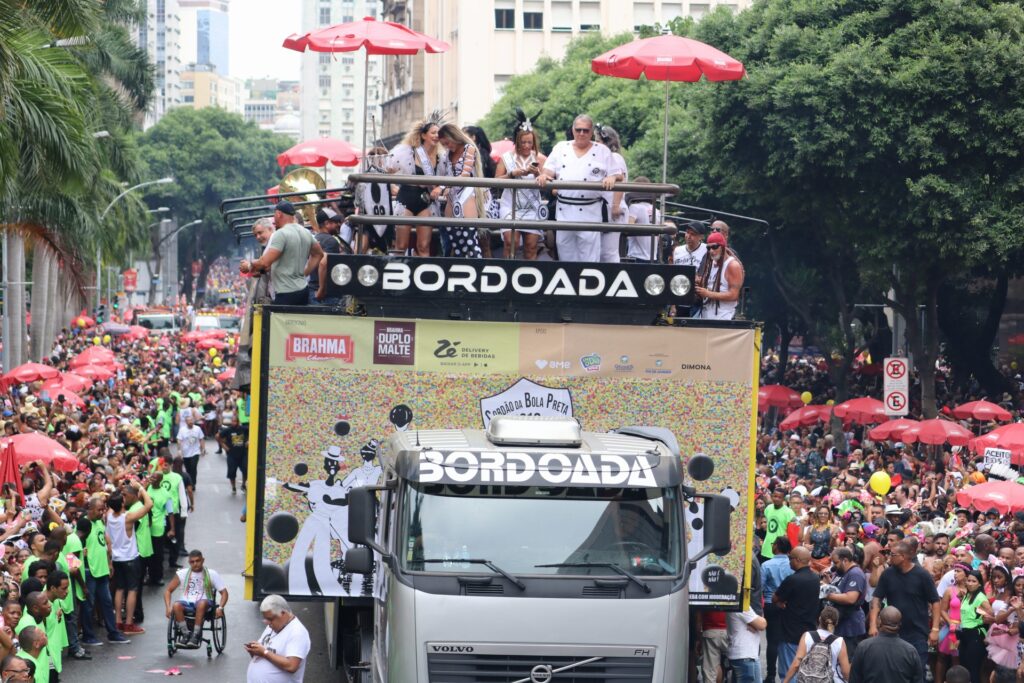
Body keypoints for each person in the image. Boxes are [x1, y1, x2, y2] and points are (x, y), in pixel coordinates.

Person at [537, 114, 621, 262]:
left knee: (589, 258)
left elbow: (618, 174)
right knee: (565, 255)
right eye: (578, 129)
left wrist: (612, 177)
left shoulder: (602, 151)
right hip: (564, 210)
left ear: (591, 132)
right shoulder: (561, 147)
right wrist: (544, 175)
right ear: (573, 130)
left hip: (590, 212)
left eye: (586, 130)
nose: (581, 133)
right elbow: (549, 170)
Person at [869, 540, 941, 677]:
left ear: (903, 557)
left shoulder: (922, 575)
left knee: (917, 671)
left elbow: (935, 602)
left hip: (917, 633)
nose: (889, 557)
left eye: (893, 554)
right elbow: (876, 598)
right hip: (892, 632)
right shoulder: (887, 574)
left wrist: (935, 629)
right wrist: (873, 625)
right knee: (892, 671)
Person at [239, 200, 324, 306]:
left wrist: (249, 265)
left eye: (274, 214)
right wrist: (304, 273)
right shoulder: (305, 232)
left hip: (285, 292)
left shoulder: (281, 234)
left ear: (278, 214)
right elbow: (318, 254)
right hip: (303, 289)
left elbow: (265, 262)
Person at [390, 112, 447, 256]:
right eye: (433, 133)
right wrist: (391, 186)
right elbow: (386, 170)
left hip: (426, 200)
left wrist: (440, 188)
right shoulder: (408, 152)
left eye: (438, 133)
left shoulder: (442, 157)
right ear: (423, 135)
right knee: (401, 245)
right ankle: (398, 273)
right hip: (406, 197)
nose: (436, 136)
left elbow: (449, 178)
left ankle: (424, 276)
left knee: (423, 246)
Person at [495, 110, 547, 260]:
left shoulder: (541, 158)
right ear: (517, 141)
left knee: (531, 247)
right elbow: (496, 181)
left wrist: (538, 173)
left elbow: (548, 179)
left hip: (532, 205)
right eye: (523, 142)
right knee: (511, 243)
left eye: (529, 142)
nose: (526, 145)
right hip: (509, 204)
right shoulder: (506, 158)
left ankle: (530, 278)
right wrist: (512, 174)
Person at [80, 498, 130, 645]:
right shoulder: (84, 524)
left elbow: (103, 542)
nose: (102, 513)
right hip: (90, 570)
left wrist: (109, 562)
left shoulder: (99, 522)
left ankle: (113, 633)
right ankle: (88, 636)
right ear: (90, 508)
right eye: (99, 510)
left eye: (103, 510)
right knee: (88, 605)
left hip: (102, 569)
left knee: (107, 603)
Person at [108, 481, 152, 635]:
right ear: (121, 503)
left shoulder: (108, 516)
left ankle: (118, 621)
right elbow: (148, 505)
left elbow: (111, 502)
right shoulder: (128, 517)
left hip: (116, 558)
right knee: (132, 590)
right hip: (130, 558)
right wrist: (141, 488)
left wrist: (117, 491)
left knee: (120, 589)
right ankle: (128, 624)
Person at [437, 123, 486, 258]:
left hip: (467, 193)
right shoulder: (447, 154)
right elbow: (446, 174)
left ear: (454, 136)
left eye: (448, 142)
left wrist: (442, 187)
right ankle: (461, 271)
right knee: (456, 243)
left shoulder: (469, 148)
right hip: (452, 196)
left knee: (470, 242)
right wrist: (444, 187)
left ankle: (477, 270)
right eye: (444, 144)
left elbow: (465, 174)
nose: (448, 146)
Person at [163, 549, 227, 648]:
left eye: (198, 561)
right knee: (176, 605)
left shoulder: (212, 574)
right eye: (192, 562)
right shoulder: (182, 573)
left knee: (201, 603)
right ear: (189, 562)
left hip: (205, 602)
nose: (195, 564)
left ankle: (196, 635)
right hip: (186, 602)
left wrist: (221, 608)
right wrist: (168, 607)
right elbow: (168, 591)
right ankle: (186, 634)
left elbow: (224, 593)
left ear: (203, 560)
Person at [774, 546, 822, 678]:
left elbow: (775, 598)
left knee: (789, 671)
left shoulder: (793, 579)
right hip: (809, 632)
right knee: (804, 672)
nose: (789, 561)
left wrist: (781, 604)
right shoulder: (815, 578)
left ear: (798, 560)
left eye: (790, 558)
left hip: (790, 632)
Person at [245, 595, 310, 683]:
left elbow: (291, 666)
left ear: (283, 613)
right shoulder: (272, 626)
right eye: (265, 618)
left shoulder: (297, 632)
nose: (267, 622)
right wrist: (255, 651)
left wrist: (264, 653)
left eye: (270, 619)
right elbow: (264, 650)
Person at [849, 606, 923, 683]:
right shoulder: (910, 651)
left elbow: (854, 679)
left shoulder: (864, 647)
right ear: (900, 624)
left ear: (879, 621)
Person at [782, 605, 851, 683]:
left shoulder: (807, 636)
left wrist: (785, 681)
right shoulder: (839, 642)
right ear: (836, 623)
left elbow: (796, 664)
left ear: (819, 618)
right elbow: (845, 672)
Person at [763, 536, 795, 683]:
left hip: (771, 604)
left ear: (776, 547)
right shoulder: (793, 564)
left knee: (772, 641)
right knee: (788, 640)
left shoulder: (767, 565)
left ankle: (770, 675)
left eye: (773, 543)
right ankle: (789, 673)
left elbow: (761, 588)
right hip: (789, 605)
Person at [595, 124, 628, 263]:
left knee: (608, 253)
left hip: (613, 208)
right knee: (601, 252)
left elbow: (620, 180)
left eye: (598, 142)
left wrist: (615, 205)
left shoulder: (614, 157)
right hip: (604, 210)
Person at [827, 547, 868, 657]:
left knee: (847, 660)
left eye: (836, 562)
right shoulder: (842, 572)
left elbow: (851, 598)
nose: (834, 565)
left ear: (845, 560)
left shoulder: (855, 573)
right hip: (840, 622)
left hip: (850, 625)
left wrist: (828, 595)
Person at [695, 230, 744, 320]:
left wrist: (708, 294)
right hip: (706, 316)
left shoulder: (732, 265)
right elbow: (711, 286)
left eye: (714, 247)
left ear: (722, 246)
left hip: (724, 317)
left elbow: (734, 295)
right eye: (708, 248)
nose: (711, 251)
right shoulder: (711, 264)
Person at [956, 570, 991, 683]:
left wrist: (983, 623)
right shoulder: (967, 595)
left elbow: (991, 615)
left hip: (975, 635)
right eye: (969, 580)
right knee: (964, 666)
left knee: (973, 669)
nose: (970, 583)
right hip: (964, 634)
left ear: (979, 583)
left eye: (974, 581)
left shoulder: (981, 598)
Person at [726, 604, 767, 683]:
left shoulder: (737, 604)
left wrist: (755, 623)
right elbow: (762, 624)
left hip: (747, 655)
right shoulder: (741, 605)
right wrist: (757, 623)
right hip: (745, 656)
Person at [217, 411, 249, 495]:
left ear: (238, 422)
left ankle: (243, 485)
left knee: (245, 470)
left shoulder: (243, 429)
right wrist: (224, 446)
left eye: (235, 421)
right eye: (232, 421)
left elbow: (254, 433)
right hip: (231, 455)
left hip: (243, 454)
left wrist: (249, 441)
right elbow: (217, 436)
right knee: (232, 472)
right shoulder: (228, 430)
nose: (233, 423)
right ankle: (234, 487)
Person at [762, 488, 796, 560]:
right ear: (772, 496)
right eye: (775, 496)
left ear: (783, 499)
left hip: (780, 551)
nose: (777, 499)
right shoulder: (768, 508)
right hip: (766, 548)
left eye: (779, 497)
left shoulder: (789, 513)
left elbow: (793, 533)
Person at [176, 413, 206, 487]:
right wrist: (179, 449)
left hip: (195, 452)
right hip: (186, 453)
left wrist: (203, 449)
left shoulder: (197, 429)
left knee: (193, 467)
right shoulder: (182, 430)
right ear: (186, 422)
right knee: (188, 469)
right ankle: (189, 482)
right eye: (189, 421)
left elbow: (201, 439)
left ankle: (193, 483)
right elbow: (179, 440)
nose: (191, 422)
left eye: (192, 420)